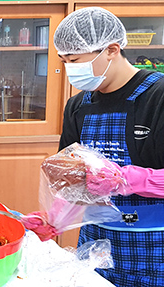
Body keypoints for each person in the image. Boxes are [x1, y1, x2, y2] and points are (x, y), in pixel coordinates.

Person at [49, 7, 164, 286]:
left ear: (112, 49)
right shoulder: (79, 106)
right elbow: (74, 179)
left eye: (75, 60)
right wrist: (53, 219)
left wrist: (127, 179)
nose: (69, 69)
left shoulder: (157, 97)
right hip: (96, 246)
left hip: (154, 248)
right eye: (64, 60)